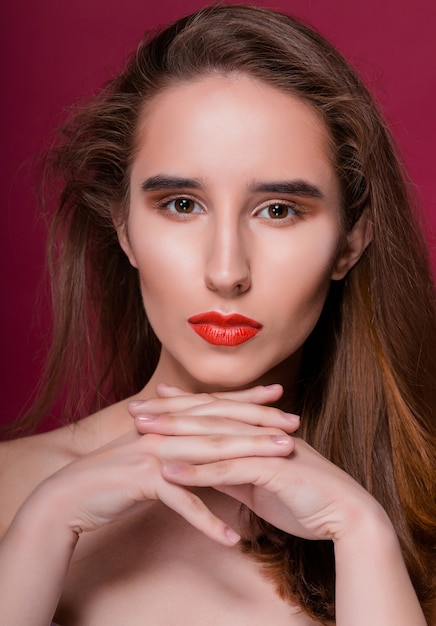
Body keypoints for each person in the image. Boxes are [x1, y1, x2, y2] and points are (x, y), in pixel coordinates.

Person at [0, 4, 435, 625]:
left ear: (350, 240)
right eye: (181, 204)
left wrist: (365, 537)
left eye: (279, 210)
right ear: (124, 228)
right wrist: (39, 533)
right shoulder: (9, 494)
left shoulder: (413, 511)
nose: (227, 271)